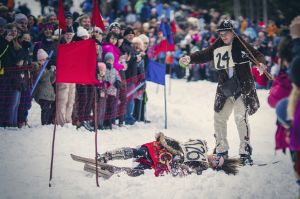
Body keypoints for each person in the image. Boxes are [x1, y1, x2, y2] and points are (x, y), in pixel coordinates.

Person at [179, 20, 267, 165]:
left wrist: (261, 63)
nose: (223, 36)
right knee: (219, 117)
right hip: (225, 88)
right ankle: (221, 149)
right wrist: (190, 58)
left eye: (225, 33)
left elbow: (257, 54)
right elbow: (204, 54)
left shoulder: (241, 44)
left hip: (242, 88)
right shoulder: (218, 44)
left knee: (240, 117)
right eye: (220, 33)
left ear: (232, 32)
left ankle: (245, 152)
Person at [97, 132, 240, 177]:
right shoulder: (201, 148)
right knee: (138, 151)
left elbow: (184, 171)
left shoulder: (201, 168)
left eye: (216, 162)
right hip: (162, 149)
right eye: (217, 157)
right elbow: (185, 145)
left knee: (139, 173)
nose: (214, 159)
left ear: (214, 167)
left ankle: (113, 171)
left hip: (163, 163)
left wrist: (179, 164)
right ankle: (107, 156)